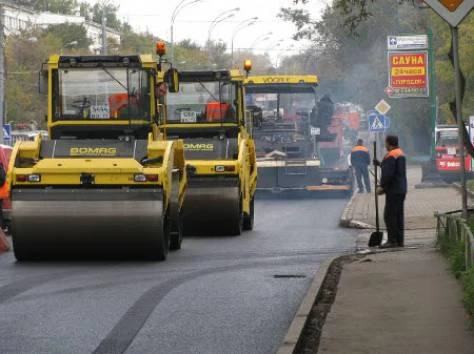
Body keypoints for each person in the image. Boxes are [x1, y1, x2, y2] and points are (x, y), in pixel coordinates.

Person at [375, 135, 407, 248]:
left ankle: (392, 241)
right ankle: (399, 241)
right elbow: (394, 169)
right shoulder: (400, 153)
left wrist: (382, 187)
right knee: (398, 215)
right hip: (401, 189)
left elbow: (389, 174)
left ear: (389, 143)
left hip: (393, 190)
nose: (385, 145)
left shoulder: (390, 155)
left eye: (385, 143)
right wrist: (380, 164)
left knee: (389, 215)